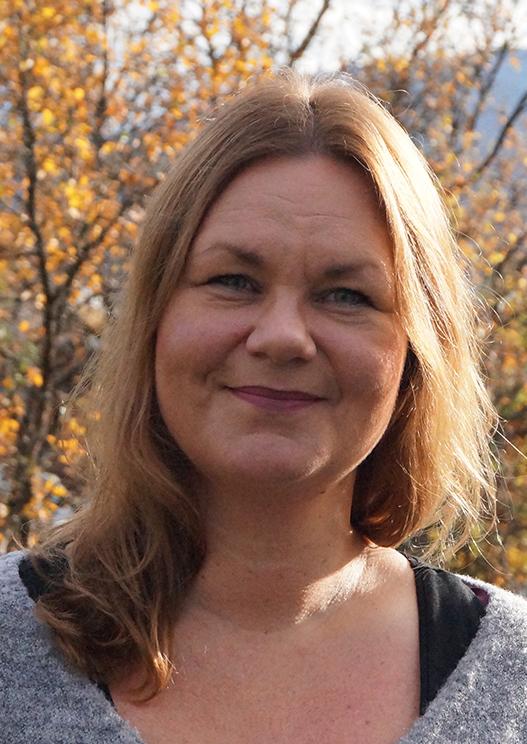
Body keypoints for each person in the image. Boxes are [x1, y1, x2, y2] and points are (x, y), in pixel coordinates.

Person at [1, 69, 526, 744]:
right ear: (155, 320)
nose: (282, 336)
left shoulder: (512, 680)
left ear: (416, 351)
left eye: (346, 295)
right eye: (233, 280)